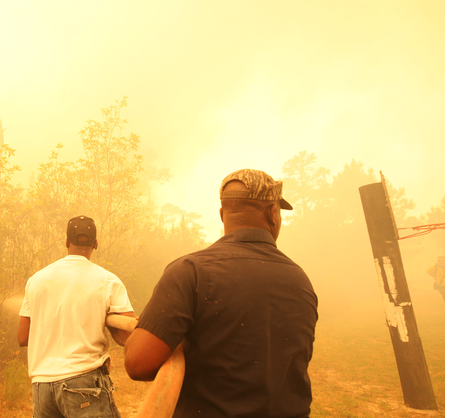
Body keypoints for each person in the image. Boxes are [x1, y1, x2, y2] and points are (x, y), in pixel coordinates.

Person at [124, 169, 319, 418]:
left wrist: (169, 338)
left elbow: (138, 363)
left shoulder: (190, 272)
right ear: (272, 214)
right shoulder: (300, 280)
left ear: (222, 214)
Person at [18, 216, 136, 418]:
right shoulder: (107, 280)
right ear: (95, 244)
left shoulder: (36, 280)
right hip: (83, 383)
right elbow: (128, 335)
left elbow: (22, 337)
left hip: (42, 387)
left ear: (66, 242)